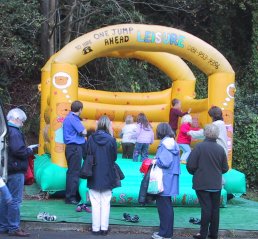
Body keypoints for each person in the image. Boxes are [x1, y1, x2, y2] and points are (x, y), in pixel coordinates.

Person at [186, 124, 229, 239]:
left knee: (206, 208)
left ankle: (203, 233)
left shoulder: (199, 147)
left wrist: (196, 173)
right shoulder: (220, 149)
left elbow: (190, 165)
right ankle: (214, 233)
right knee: (215, 209)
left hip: (202, 183)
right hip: (216, 184)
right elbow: (225, 168)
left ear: (205, 133)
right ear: (217, 135)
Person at [0, 108, 35, 237]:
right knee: (15, 200)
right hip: (16, 169)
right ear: (17, 119)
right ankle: (14, 227)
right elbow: (18, 151)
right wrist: (30, 151)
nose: (23, 124)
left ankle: (3, 225)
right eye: (22, 121)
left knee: (5, 198)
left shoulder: (5, 130)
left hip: (6, 169)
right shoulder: (15, 132)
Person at [86, 115, 117, 236]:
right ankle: (104, 228)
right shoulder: (111, 140)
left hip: (93, 172)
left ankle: (95, 228)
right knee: (106, 201)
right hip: (108, 173)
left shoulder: (91, 139)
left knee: (95, 202)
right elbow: (114, 157)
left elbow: (86, 155)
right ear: (108, 125)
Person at [151, 123, 181, 239]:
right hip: (170, 177)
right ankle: (167, 233)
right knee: (167, 205)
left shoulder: (165, 144)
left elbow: (165, 162)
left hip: (164, 178)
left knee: (163, 206)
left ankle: (163, 233)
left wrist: (154, 161)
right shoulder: (172, 143)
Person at [63, 100, 87, 205]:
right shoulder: (73, 118)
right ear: (80, 109)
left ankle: (70, 195)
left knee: (71, 172)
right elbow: (83, 132)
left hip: (70, 147)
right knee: (74, 172)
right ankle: (71, 197)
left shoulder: (68, 117)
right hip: (75, 147)